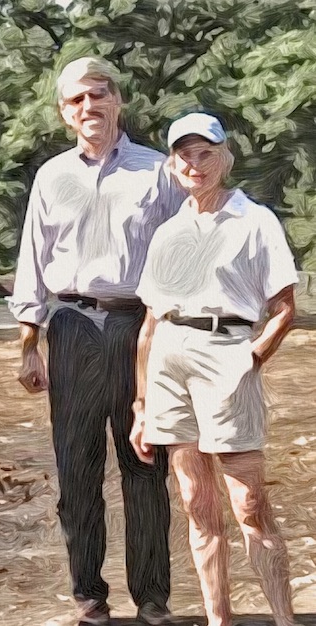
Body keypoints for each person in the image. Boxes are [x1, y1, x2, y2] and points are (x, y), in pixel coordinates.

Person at [8, 56, 184, 626]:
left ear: (118, 101)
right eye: (77, 100)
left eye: (99, 95)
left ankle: (153, 599)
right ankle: (89, 596)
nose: (90, 107)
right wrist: (28, 343)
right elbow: (32, 260)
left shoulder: (159, 172)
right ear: (64, 113)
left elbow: (184, 251)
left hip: (140, 328)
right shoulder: (51, 176)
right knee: (77, 472)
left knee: (145, 466)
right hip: (71, 330)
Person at [130, 112, 298, 626]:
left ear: (225, 157)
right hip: (168, 363)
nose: (195, 164)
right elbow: (149, 323)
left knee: (249, 504)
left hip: (228, 351)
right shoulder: (168, 231)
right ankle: (218, 619)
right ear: (173, 163)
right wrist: (140, 405)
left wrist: (250, 359)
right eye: (185, 154)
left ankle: (286, 620)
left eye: (206, 153)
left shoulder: (256, 220)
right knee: (197, 505)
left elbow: (285, 308)